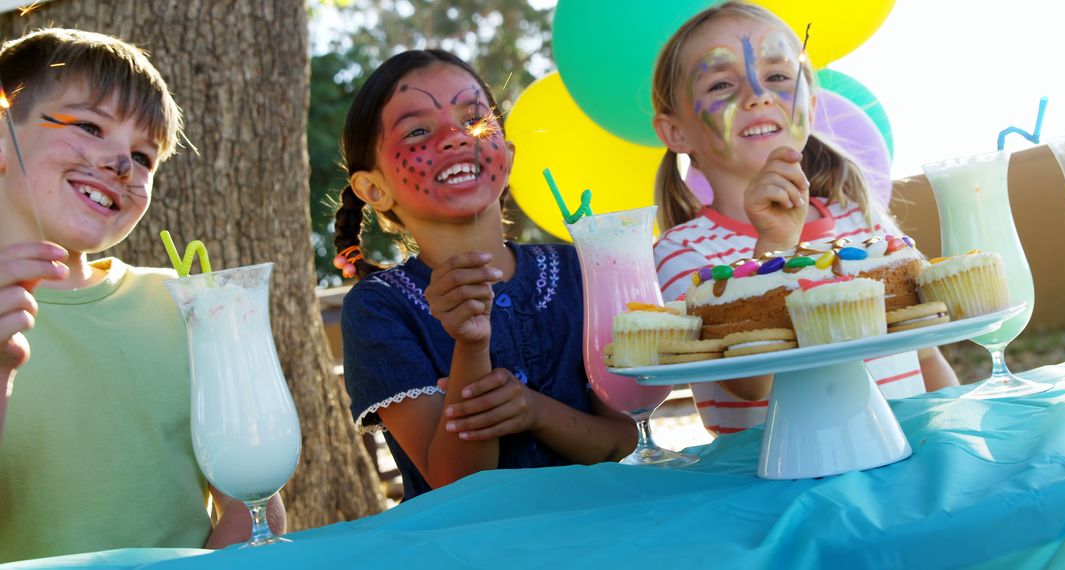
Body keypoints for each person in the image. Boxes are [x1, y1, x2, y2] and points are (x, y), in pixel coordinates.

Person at [0, 29, 284, 562]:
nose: (123, 166)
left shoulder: (184, 306)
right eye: (89, 126)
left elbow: (253, 510)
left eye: (144, 156)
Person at [335, 49, 636, 501]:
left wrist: (535, 412)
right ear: (374, 188)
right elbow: (455, 483)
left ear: (507, 155)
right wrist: (471, 345)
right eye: (418, 131)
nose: (457, 138)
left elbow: (625, 441)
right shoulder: (378, 308)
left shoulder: (580, 269)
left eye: (474, 118)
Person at [650, 3, 958, 435]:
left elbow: (927, 357)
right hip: (781, 488)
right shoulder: (682, 253)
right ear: (675, 132)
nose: (757, 94)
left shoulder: (865, 225)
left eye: (777, 76)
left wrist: (955, 432)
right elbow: (749, 383)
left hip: (905, 471)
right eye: (721, 83)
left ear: (809, 106)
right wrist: (774, 247)